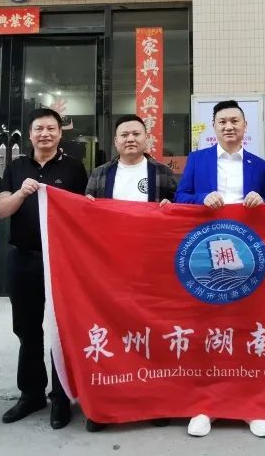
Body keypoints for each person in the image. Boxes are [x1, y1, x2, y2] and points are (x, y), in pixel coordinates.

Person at [175, 99, 265, 438]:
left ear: (245, 126)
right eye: (222, 122)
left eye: (235, 121)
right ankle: (206, 405)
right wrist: (201, 198)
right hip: (204, 255)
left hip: (246, 257)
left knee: (246, 326)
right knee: (208, 328)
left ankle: (249, 405)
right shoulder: (198, 160)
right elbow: (180, 197)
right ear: (213, 128)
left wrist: (262, 201)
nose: (229, 127)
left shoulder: (259, 165)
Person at [83, 113, 177, 432]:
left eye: (136, 133)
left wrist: (171, 209)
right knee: (110, 333)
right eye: (124, 135)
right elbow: (86, 218)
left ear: (146, 138)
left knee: (151, 334)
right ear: (115, 141)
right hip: (109, 269)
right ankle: (105, 405)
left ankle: (155, 401)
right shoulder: (100, 174)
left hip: (151, 270)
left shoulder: (162, 173)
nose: (130, 139)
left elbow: (180, 213)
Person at [0, 108, 89, 429]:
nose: (45, 134)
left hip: (61, 261)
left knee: (61, 330)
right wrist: (21, 192)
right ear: (30, 134)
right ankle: (31, 394)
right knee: (27, 329)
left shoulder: (74, 168)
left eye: (51, 128)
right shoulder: (16, 167)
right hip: (23, 259)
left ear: (60, 133)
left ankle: (61, 398)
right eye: (39, 128)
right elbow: (1, 210)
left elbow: (85, 212)